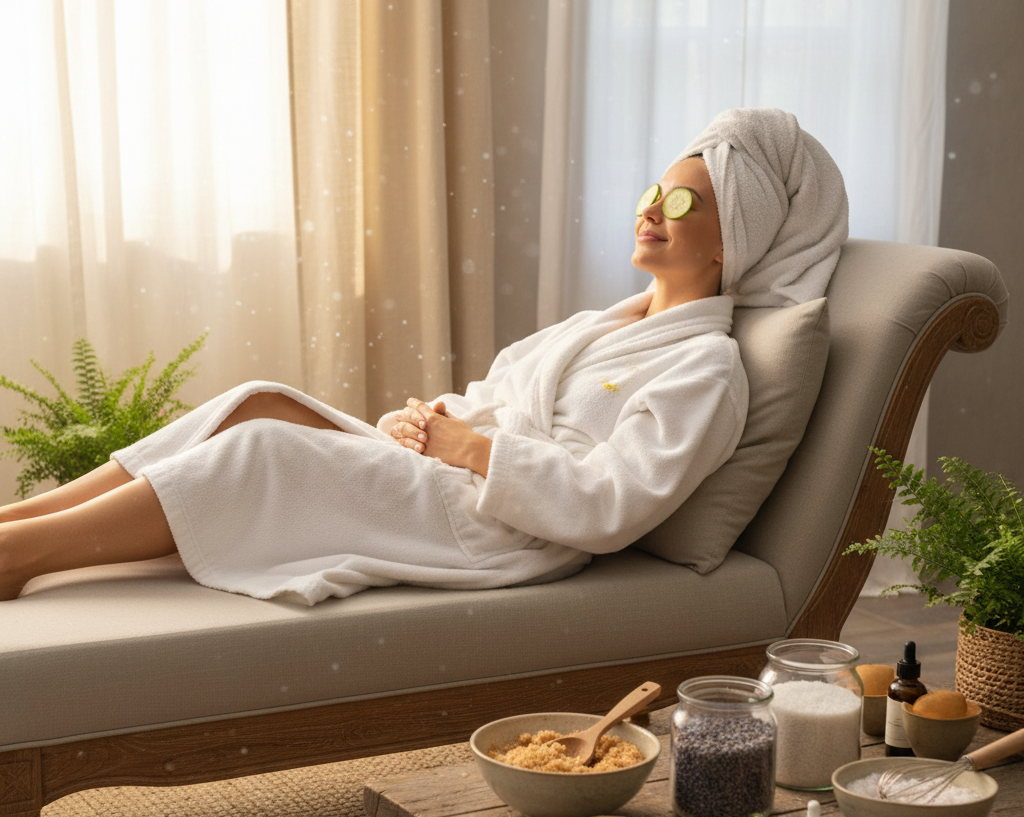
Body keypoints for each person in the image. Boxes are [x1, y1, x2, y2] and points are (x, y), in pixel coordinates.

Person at [0, 108, 847, 604]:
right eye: (652, 192)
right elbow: (496, 393)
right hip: (464, 480)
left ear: (734, 235)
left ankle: (20, 561)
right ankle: (20, 521)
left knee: (266, 451)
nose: (653, 208)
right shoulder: (601, 325)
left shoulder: (706, 371)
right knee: (258, 399)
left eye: (684, 199)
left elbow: (615, 504)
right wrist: (440, 418)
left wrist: (474, 450)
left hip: (508, 530)